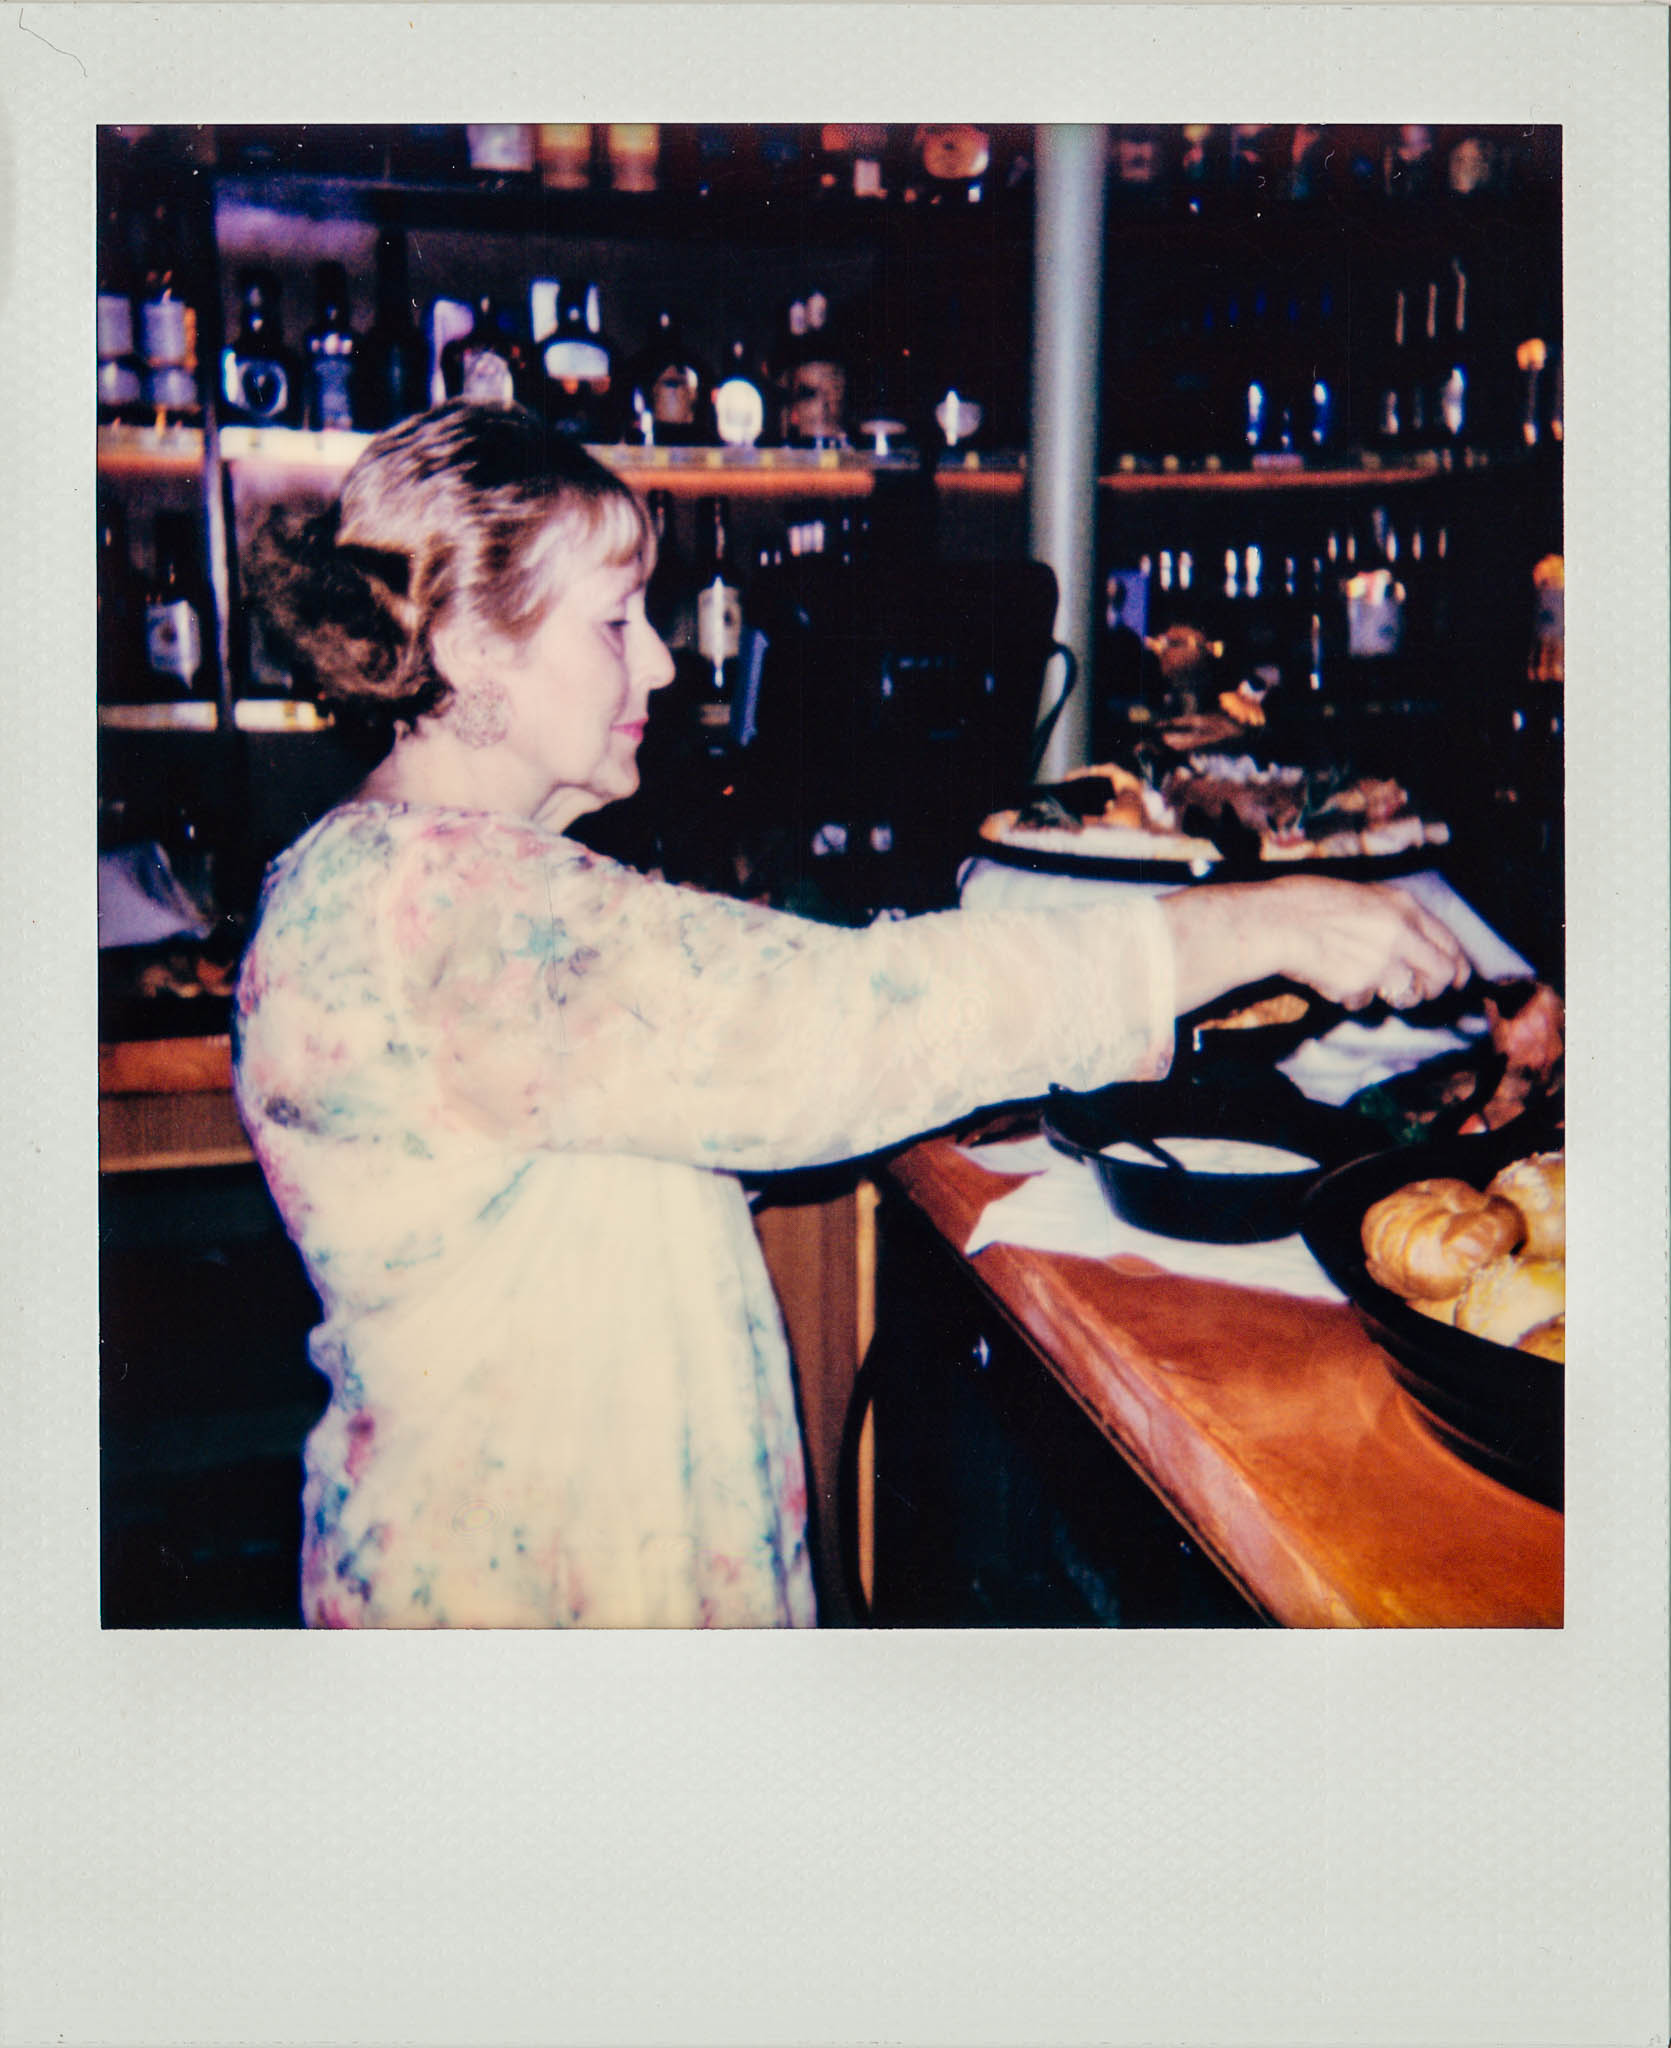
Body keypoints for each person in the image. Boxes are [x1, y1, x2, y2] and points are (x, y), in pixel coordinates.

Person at [233, 400, 1467, 1630]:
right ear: (470, 652)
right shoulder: (457, 912)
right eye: (615, 622)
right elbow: (845, 1027)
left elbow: (622, 1144)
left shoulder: (409, 873)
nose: (662, 660)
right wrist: (1258, 925)